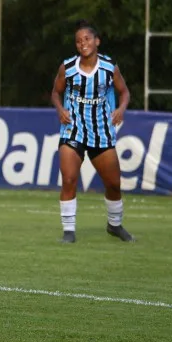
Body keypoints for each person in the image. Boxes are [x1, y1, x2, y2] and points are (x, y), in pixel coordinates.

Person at [51, 20, 134, 244]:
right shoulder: (67, 68)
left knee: (114, 184)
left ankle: (114, 225)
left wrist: (121, 108)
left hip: (101, 131)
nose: (82, 43)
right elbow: (55, 93)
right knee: (69, 178)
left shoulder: (109, 67)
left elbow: (124, 92)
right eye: (78, 41)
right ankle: (69, 231)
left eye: (87, 39)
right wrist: (60, 110)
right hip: (73, 130)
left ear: (97, 41)